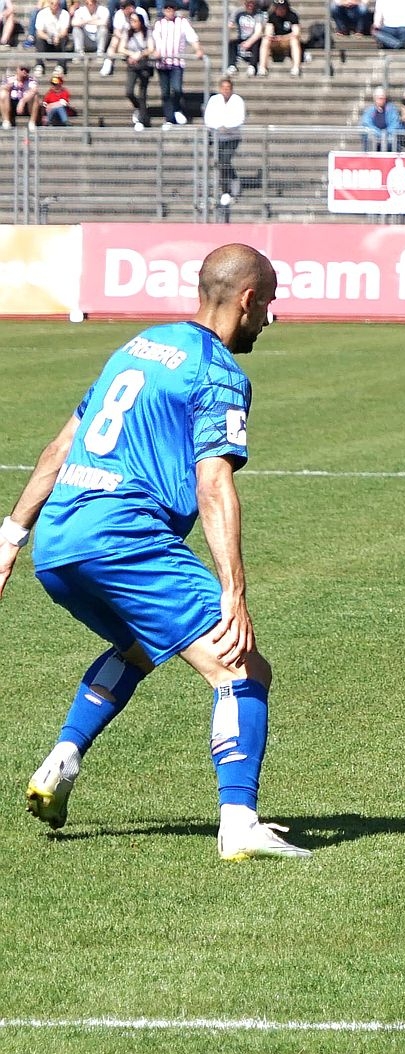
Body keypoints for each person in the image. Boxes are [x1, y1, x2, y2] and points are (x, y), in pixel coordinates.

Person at [0, 246, 310, 863]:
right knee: (242, 668)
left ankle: (63, 758)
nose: (269, 319)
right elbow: (214, 482)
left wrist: (10, 538)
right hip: (124, 540)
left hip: (59, 543)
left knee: (140, 647)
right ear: (247, 299)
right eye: (268, 305)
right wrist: (234, 592)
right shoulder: (217, 372)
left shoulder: (139, 346)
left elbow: (61, 447)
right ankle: (239, 822)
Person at [153, 0, 201, 127]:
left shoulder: (182, 22)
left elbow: (192, 36)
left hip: (177, 63)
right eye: (167, 8)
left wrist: (197, 49)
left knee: (177, 89)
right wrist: (156, 52)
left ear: (175, 10)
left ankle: (177, 109)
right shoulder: (159, 24)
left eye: (171, 8)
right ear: (164, 10)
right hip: (162, 63)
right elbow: (156, 40)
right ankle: (169, 119)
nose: (169, 11)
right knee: (165, 92)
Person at [204, 75, 245, 203]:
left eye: (228, 88)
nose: (226, 90)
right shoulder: (214, 100)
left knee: (225, 161)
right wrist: (218, 127)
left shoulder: (237, 100)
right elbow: (208, 118)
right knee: (222, 163)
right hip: (219, 138)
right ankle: (232, 185)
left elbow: (240, 118)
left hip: (233, 137)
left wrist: (227, 127)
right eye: (224, 88)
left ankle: (227, 190)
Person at [114, 7, 153, 126]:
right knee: (129, 91)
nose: (133, 23)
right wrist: (131, 54)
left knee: (142, 93)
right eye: (131, 21)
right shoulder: (128, 33)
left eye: (135, 21)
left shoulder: (147, 33)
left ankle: (143, 119)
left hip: (143, 65)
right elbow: (121, 48)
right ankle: (138, 107)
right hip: (132, 65)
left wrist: (140, 55)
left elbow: (151, 48)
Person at [360, 82, 405, 147]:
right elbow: (367, 124)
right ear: (375, 98)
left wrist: (385, 135)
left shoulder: (391, 109)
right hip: (374, 142)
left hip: (389, 142)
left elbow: (395, 125)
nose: (382, 100)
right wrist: (380, 135)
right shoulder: (369, 111)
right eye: (380, 98)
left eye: (383, 98)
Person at [262, 0, 301, 73]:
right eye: (278, 7)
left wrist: (283, 38)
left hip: (287, 41)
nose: (280, 10)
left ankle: (296, 67)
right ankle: (262, 67)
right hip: (275, 41)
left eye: (282, 8)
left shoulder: (292, 16)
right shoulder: (272, 16)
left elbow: (296, 33)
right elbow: (268, 31)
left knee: (295, 40)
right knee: (265, 40)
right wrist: (271, 36)